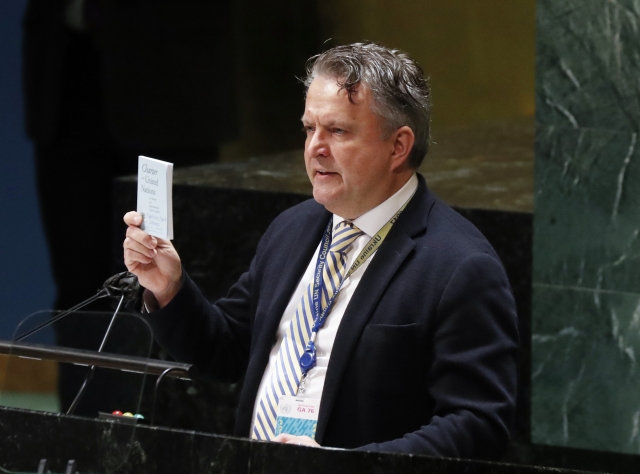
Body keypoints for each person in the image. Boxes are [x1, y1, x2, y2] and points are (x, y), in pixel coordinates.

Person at [122, 43, 519, 460]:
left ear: (398, 146)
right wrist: (169, 289)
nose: (315, 148)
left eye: (338, 131)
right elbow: (228, 348)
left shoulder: (459, 266)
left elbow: (477, 425)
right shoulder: (292, 228)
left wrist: (347, 467)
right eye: (310, 129)